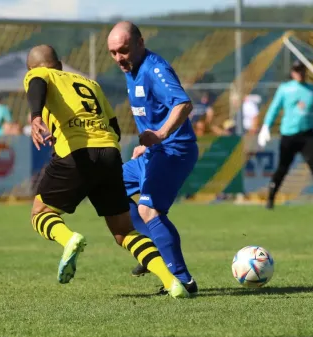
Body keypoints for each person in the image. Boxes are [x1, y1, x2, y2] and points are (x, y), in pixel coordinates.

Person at [23, 44, 190, 299]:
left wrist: (36, 116)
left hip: (77, 152)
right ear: (59, 63)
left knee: (40, 213)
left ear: (34, 67)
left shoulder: (40, 74)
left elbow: (36, 83)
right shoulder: (90, 83)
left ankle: (69, 239)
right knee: (124, 231)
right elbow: (114, 126)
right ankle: (172, 282)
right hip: (109, 152)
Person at [107, 21, 198, 296]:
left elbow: (183, 104)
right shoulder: (131, 69)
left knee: (149, 210)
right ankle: (151, 246)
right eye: (112, 52)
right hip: (154, 152)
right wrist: (147, 144)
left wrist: (159, 134)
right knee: (107, 189)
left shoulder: (155, 69)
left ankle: (183, 280)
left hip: (174, 150)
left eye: (123, 50)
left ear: (140, 43)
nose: (118, 58)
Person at [257, 60, 313, 210]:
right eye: (296, 71)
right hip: (288, 134)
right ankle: (270, 199)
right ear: (292, 73)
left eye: (301, 70)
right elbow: (274, 108)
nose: (299, 73)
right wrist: (266, 127)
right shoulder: (285, 89)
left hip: (307, 135)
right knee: (283, 168)